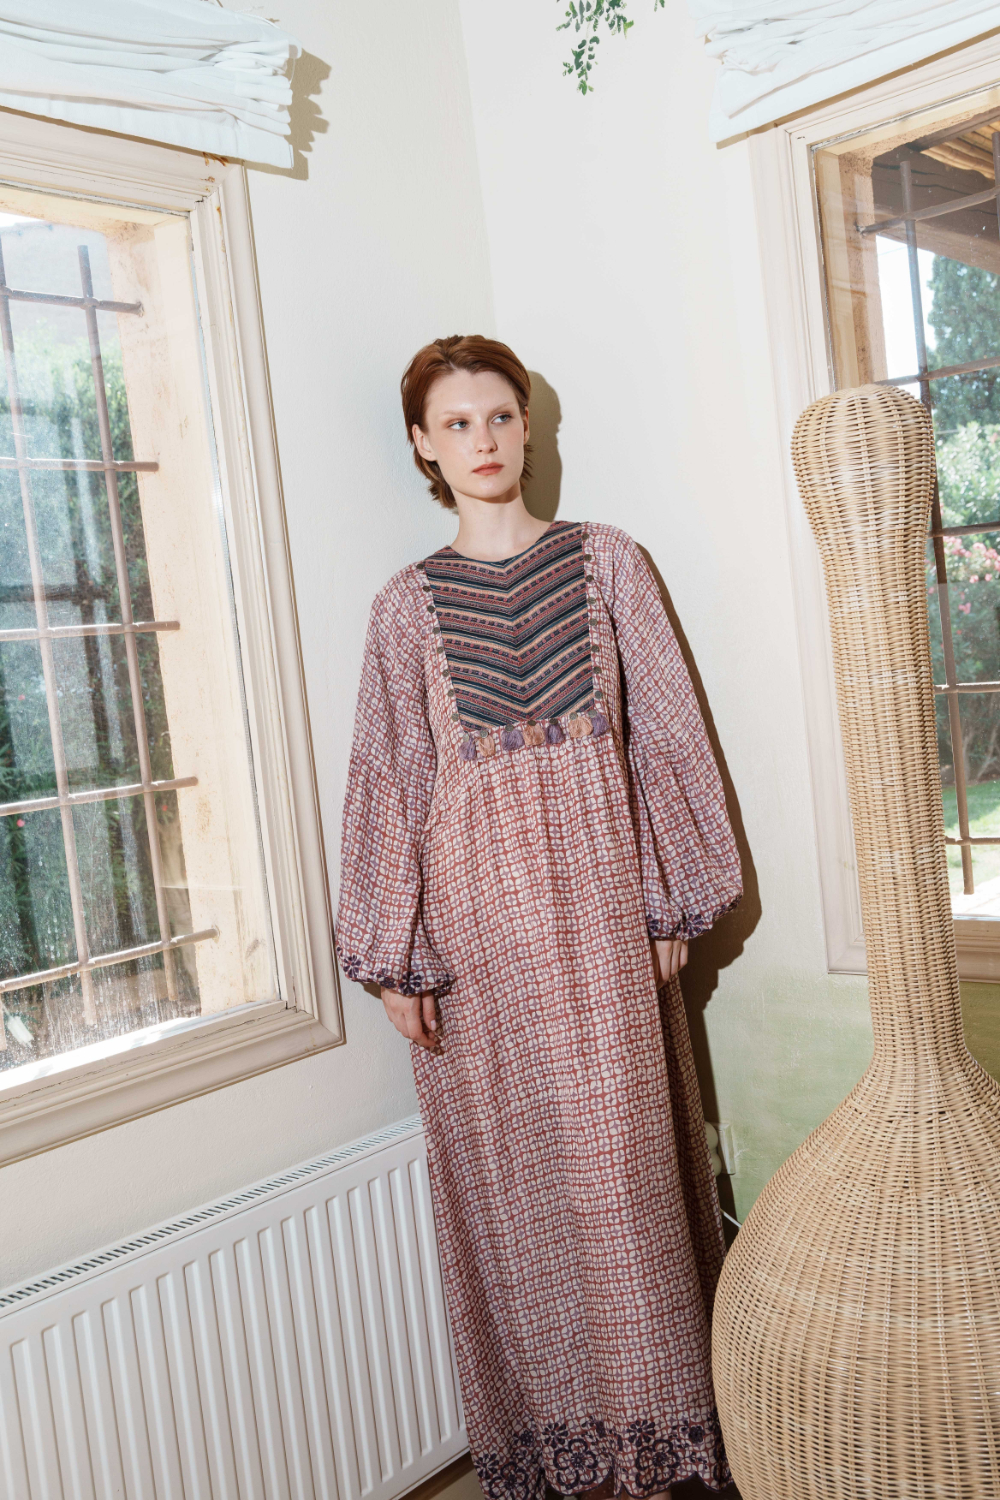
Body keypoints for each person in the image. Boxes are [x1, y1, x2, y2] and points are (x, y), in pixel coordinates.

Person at [337, 335, 742, 1500]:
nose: (483, 441)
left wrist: (672, 896)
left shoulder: (609, 563)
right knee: (519, 1210)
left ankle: (664, 1459)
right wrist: (394, 960)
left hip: (605, 930)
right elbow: (390, 781)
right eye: (455, 424)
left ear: (528, 426)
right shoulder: (403, 609)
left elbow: (666, 736)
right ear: (422, 445)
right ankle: (562, 1460)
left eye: (500, 417)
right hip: (476, 957)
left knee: (626, 1196)